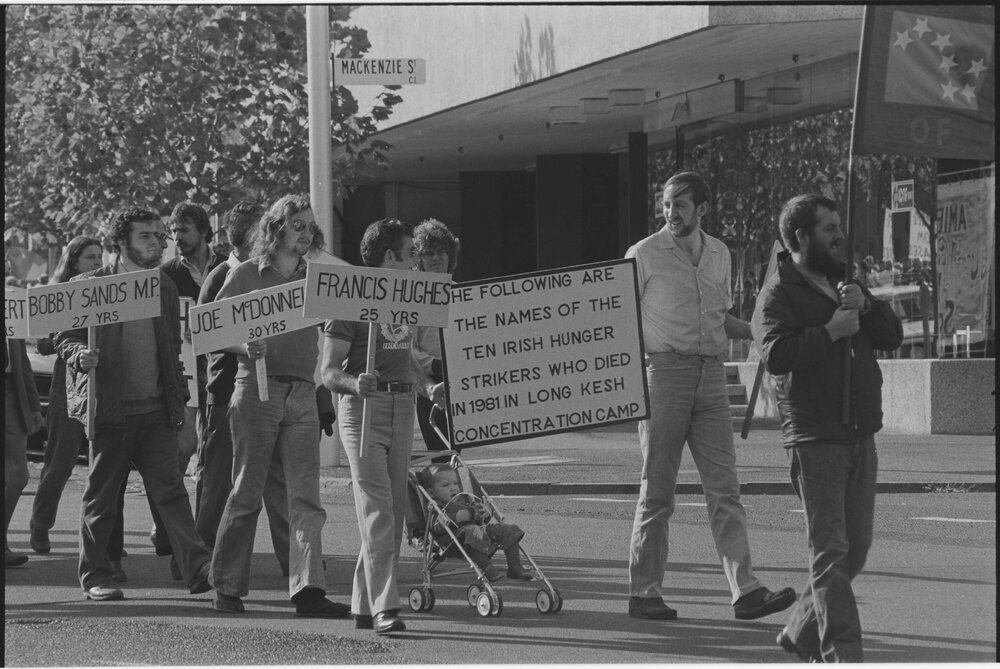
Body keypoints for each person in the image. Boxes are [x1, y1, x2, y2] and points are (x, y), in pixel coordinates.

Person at [624, 172, 795, 622]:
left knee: (725, 490)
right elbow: (617, 320)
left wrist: (763, 335)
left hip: (712, 379)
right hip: (663, 378)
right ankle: (644, 592)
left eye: (680, 205)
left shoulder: (720, 253)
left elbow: (720, 318)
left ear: (702, 209)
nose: (670, 212)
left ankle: (746, 592)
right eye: (666, 204)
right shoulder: (642, 255)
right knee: (658, 492)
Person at [752, 194, 902, 662]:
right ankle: (844, 653)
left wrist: (869, 305)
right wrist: (831, 332)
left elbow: (892, 337)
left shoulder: (845, 280)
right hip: (815, 439)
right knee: (831, 552)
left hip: (860, 434)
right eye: (828, 228)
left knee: (853, 552)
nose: (839, 236)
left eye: (839, 226)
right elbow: (775, 353)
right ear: (801, 237)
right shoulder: (778, 292)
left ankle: (799, 630)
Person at [54, 208, 213, 601]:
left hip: (156, 409)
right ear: (120, 243)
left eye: (161, 235)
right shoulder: (89, 285)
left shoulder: (163, 285)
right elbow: (62, 336)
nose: (159, 242)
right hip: (110, 410)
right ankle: (95, 575)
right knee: (102, 497)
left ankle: (198, 569)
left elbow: (173, 348)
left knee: (172, 492)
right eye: (147, 236)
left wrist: (181, 402)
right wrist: (78, 355)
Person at [209, 194, 347, 619]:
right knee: (246, 491)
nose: (306, 233)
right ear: (277, 229)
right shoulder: (247, 274)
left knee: (305, 498)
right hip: (256, 391)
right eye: (297, 225)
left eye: (310, 226)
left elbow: (340, 329)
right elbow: (211, 333)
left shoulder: (317, 279)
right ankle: (227, 587)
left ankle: (308, 591)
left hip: (303, 394)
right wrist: (242, 345)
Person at [321, 218, 445, 635]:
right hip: (363, 411)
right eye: (410, 254)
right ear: (389, 258)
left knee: (389, 508)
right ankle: (384, 608)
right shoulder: (348, 301)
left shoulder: (407, 299)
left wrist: (428, 389)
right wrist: (356, 382)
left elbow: (407, 356)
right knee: (377, 510)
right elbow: (327, 371)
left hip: (404, 404)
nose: (415, 263)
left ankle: (362, 602)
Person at [195, 202, 290, 574]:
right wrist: (240, 346)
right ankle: (198, 558)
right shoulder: (221, 277)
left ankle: (293, 563)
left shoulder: (275, 274)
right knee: (221, 483)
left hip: (274, 393)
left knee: (278, 485)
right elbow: (203, 334)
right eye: (267, 229)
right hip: (226, 395)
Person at [29, 237, 131, 582]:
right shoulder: (61, 293)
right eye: (89, 258)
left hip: (107, 386)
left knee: (107, 466)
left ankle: (106, 540)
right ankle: (41, 525)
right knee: (60, 462)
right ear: (73, 262)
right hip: (68, 388)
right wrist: (70, 341)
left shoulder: (112, 287)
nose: (95, 263)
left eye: (99, 257)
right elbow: (42, 341)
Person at [152, 202, 228, 572]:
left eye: (182, 230)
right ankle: (168, 527)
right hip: (184, 379)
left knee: (210, 463)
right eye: (173, 231)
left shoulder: (227, 268)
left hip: (217, 378)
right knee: (179, 454)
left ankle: (192, 543)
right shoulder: (165, 274)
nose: (176, 238)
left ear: (202, 230)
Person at [417, 463, 532, 582]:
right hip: (455, 541)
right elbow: (435, 526)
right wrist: (458, 517)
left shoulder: (462, 499)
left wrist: (485, 512)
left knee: (508, 530)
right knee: (471, 531)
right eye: (446, 485)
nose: (453, 488)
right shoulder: (435, 506)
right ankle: (486, 568)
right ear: (431, 493)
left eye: (455, 483)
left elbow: (480, 519)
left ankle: (515, 567)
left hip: (480, 533)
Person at [411, 219, 460, 455]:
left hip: (462, 382)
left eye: (441, 252)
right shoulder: (412, 298)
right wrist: (437, 364)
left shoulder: (462, 294)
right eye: (428, 253)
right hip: (431, 384)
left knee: (457, 456)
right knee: (441, 457)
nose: (435, 258)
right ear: (418, 259)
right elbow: (406, 348)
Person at [5, 334, 44, 568]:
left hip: (12, 393)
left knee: (17, 476)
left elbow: (23, 363)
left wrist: (33, 405)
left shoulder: (12, 305)